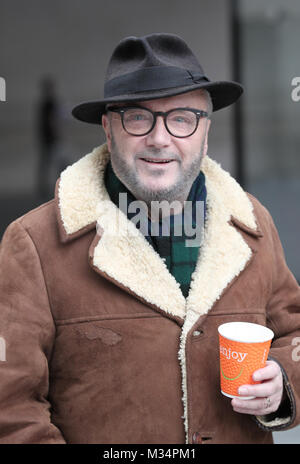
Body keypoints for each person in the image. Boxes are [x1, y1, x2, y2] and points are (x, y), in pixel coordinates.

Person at [0, 33, 299, 445]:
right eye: (138, 117)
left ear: (205, 133)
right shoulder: (33, 244)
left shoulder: (253, 224)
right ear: (108, 129)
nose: (160, 139)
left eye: (182, 118)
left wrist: (284, 382)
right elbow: (10, 407)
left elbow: (294, 333)